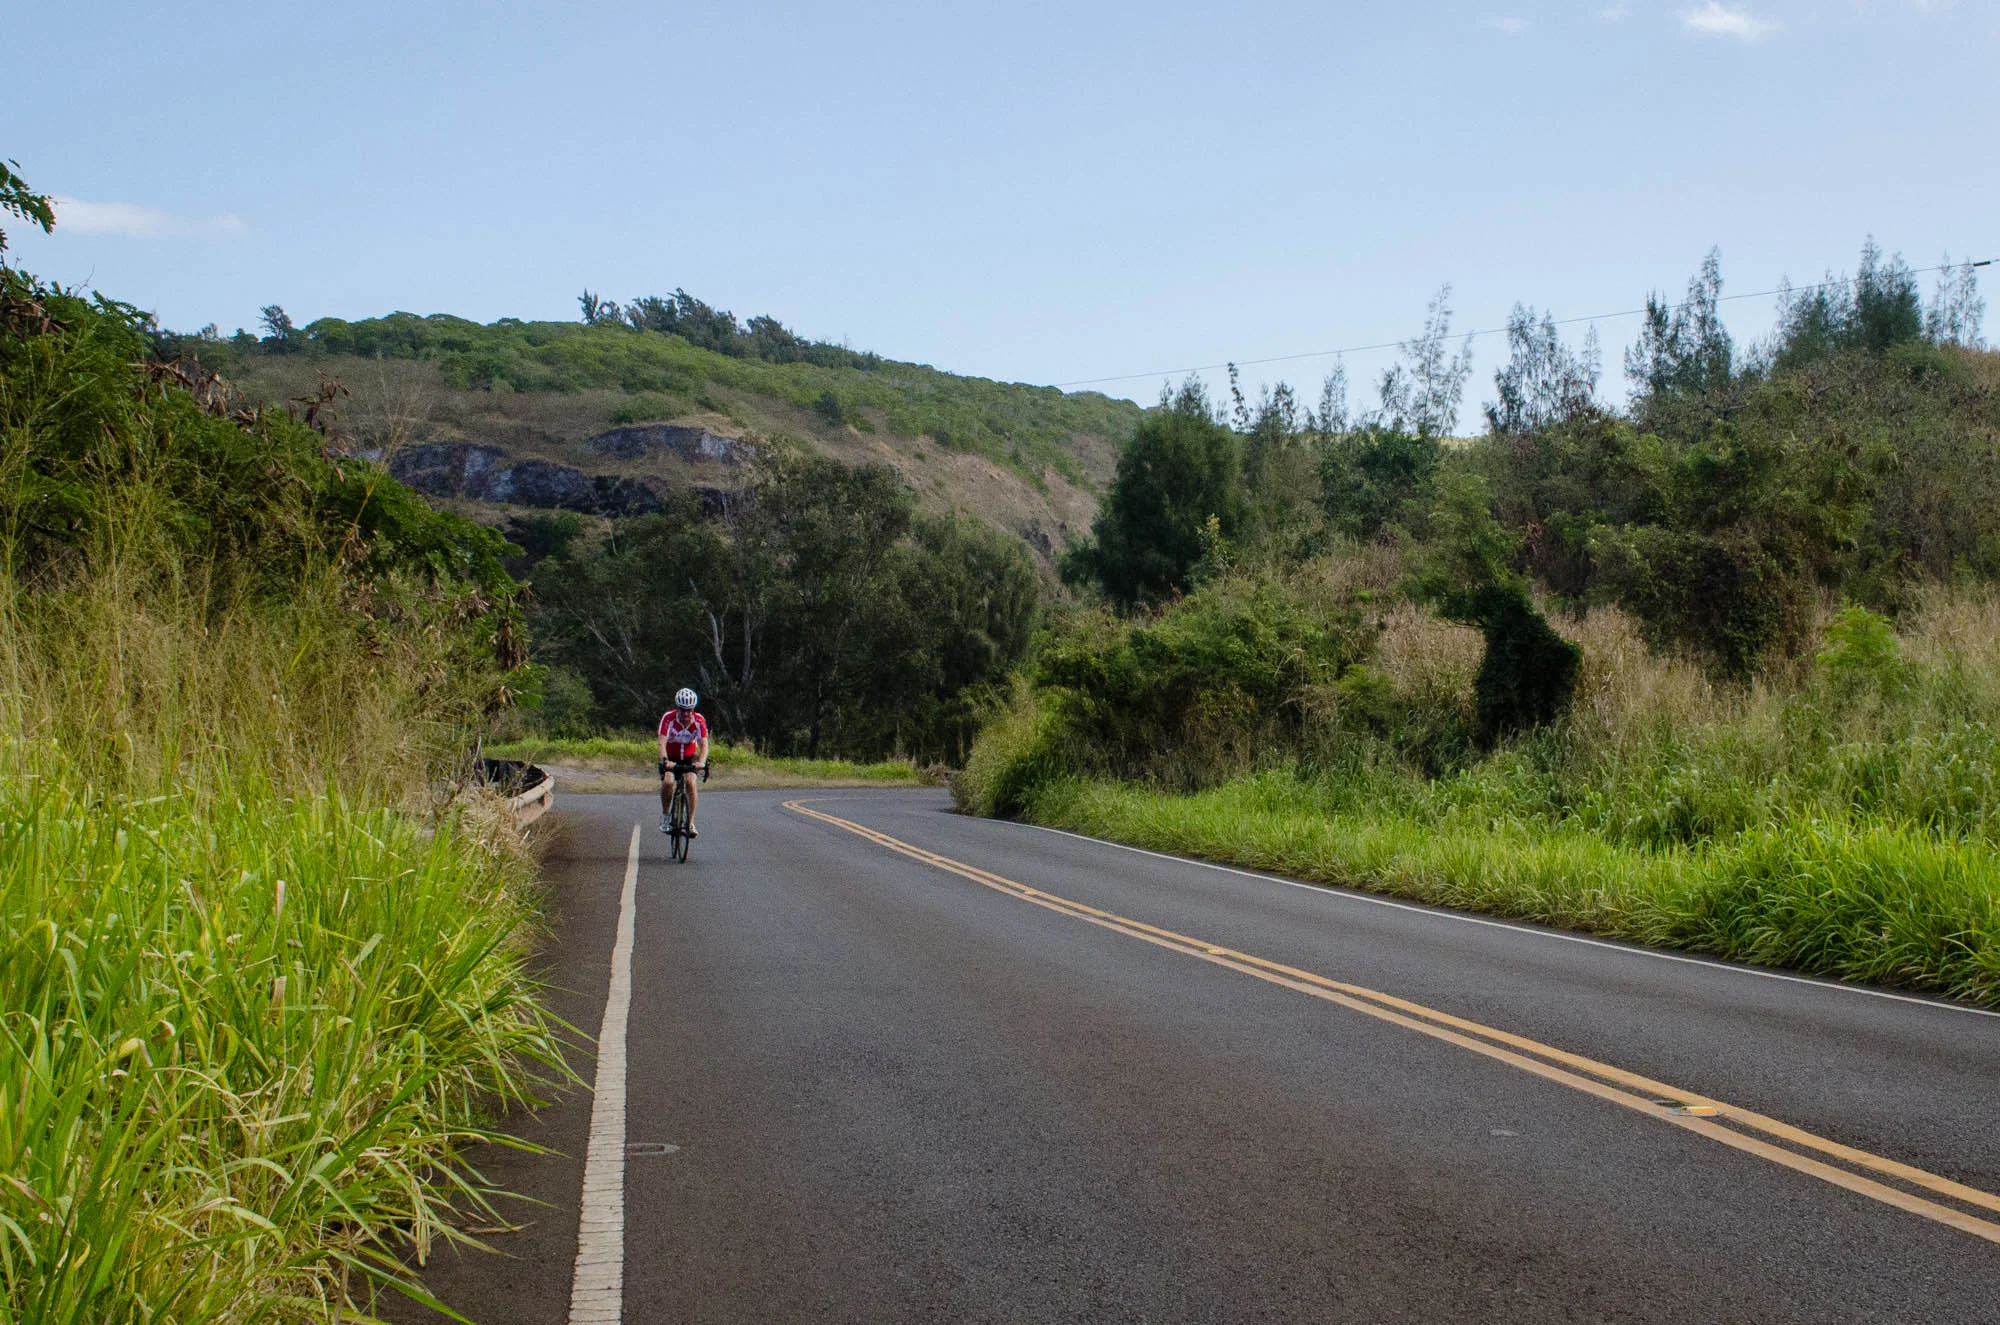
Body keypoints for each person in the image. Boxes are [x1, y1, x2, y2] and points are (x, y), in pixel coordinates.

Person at [658, 687, 711, 836]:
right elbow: (662, 742)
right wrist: (665, 760)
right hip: (671, 757)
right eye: (682, 710)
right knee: (668, 782)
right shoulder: (668, 718)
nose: (686, 714)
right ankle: (665, 816)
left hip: (689, 757)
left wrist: (701, 762)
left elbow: (704, 744)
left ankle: (690, 823)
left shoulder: (699, 720)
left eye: (689, 710)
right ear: (677, 708)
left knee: (690, 782)